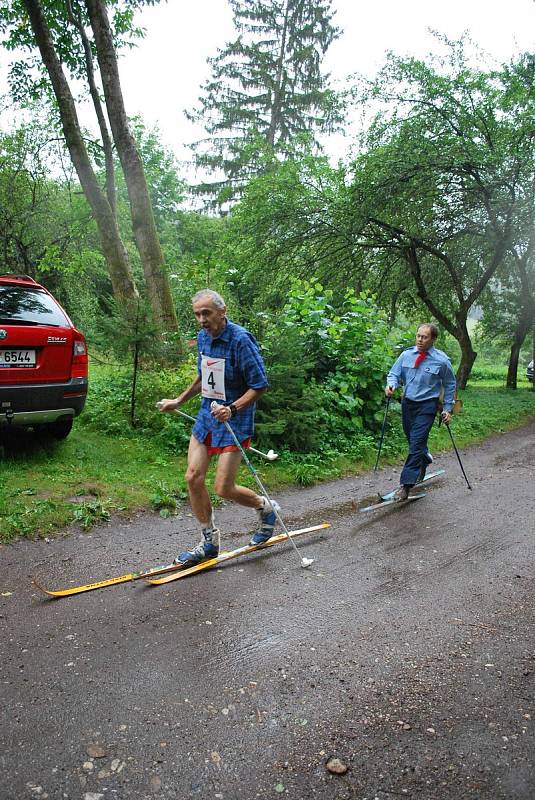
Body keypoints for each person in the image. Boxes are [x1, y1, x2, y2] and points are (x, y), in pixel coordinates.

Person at [158, 289, 280, 565]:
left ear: (221, 312)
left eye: (207, 313)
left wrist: (233, 408)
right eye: (197, 314)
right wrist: (178, 401)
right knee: (192, 477)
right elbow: (204, 376)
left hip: (235, 415)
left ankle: (266, 508)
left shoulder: (240, 340)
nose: (202, 319)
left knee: (224, 487)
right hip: (207, 413)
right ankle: (208, 542)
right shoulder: (203, 337)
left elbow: (260, 385)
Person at [385, 323, 456, 501]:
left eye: (424, 337)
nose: (420, 340)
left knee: (416, 443)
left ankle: (406, 485)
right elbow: (394, 374)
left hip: (427, 406)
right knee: (413, 440)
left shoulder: (441, 360)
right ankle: (424, 459)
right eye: (418, 336)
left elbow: (450, 384)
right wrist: (391, 385)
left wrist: (448, 409)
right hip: (408, 404)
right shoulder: (406, 355)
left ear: (433, 339)